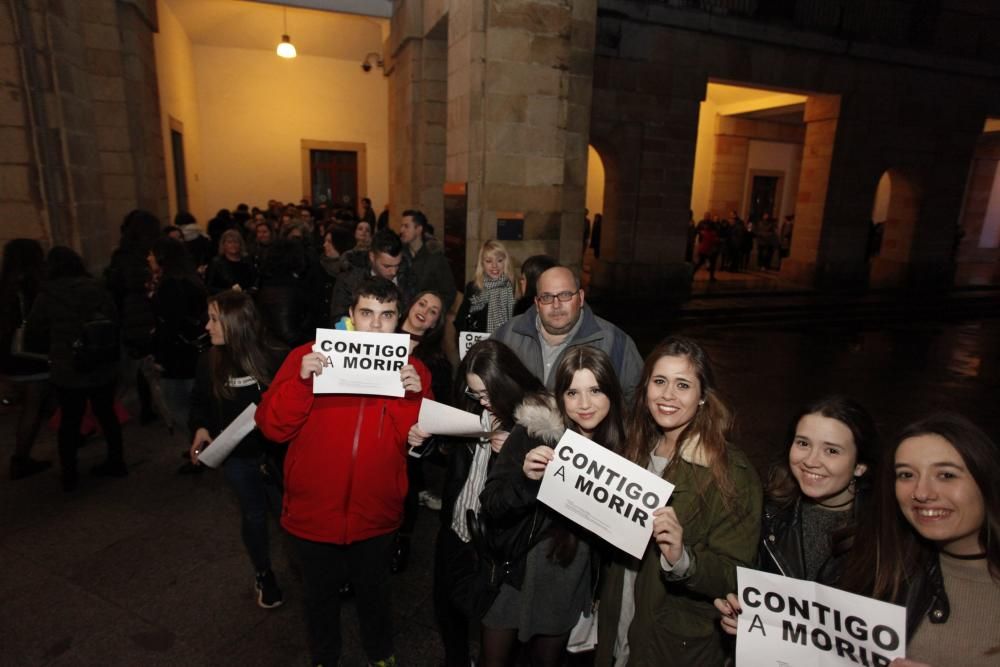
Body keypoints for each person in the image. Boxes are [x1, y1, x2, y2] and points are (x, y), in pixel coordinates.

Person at [255, 277, 432, 667]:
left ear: (397, 320)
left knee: (375, 592)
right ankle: (324, 657)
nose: (375, 324)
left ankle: (380, 653)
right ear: (351, 315)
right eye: (366, 313)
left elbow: (417, 439)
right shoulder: (307, 355)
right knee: (318, 598)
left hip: (376, 513)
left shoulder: (413, 369)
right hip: (312, 513)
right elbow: (271, 426)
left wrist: (414, 395)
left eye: (386, 316)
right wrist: (302, 383)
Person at [595, 336, 762, 666]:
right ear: (645, 390)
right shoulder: (633, 451)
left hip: (671, 645)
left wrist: (683, 559)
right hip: (619, 625)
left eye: (682, 385)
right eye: (659, 381)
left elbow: (738, 574)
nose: (667, 395)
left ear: (702, 397)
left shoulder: (730, 472)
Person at [478, 346, 627, 666]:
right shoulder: (535, 432)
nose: (585, 404)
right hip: (516, 574)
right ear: (560, 396)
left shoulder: (623, 448)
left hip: (567, 582)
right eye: (573, 392)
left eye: (595, 391)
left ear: (611, 393)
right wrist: (526, 480)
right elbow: (491, 504)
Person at [409, 339, 548, 667]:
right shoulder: (472, 407)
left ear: (507, 382)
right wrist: (423, 442)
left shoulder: (533, 423)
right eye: (475, 393)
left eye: (487, 393)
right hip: (455, 528)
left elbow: (530, 499)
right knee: (446, 610)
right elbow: (451, 455)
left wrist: (512, 459)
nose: (482, 402)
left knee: (493, 623)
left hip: (492, 544)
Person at [841, 413, 1000, 666]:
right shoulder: (881, 566)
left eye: (946, 475)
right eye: (906, 475)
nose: (922, 493)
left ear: (986, 480)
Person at [713, 396, 880, 632]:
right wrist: (743, 618)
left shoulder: (884, 538)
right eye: (803, 443)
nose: (811, 460)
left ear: (860, 465)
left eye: (831, 450)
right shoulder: (768, 514)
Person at [187, 290, 288, 609]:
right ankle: (263, 573)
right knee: (254, 516)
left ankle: (312, 571)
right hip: (237, 459)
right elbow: (200, 403)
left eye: (215, 319)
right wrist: (201, 427)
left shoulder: (276, 356)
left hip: (277, 457)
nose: (207, 326)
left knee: (291, 515)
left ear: (235, 323)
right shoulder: (209, 360)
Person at [25, 247, 124, 491]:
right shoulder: (97, 288)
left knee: (70, 419)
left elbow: (35, 329)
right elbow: (114, 317)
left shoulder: (48, 294)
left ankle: (69, 473)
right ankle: (116, 461)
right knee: (106, 413)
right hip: (100, 359)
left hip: (68, 365)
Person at [492, 265, 643, 400]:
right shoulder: (506, 335)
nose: (556, 305)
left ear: (581, 298)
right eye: (547, 297)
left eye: (565, 295)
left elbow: (637, 402)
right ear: (537, 304)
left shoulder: (616, 344)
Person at [394, 290, 451, 573]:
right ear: (409, 305)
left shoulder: (435, 359)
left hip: (411, 436)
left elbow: (436, 405)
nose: (425, 311)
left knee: (408, 488)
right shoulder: (379, 337)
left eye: (433, 311)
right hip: (377, 429)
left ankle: (402, 540)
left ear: (434, 324)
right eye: (422, 303)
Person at [1, 239, 52, 479]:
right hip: (32, 355)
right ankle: (20, 458)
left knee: (27, 407)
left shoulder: (5, 286)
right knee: (32, 409)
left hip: (10, 356)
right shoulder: (34, 287)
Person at [147, 236, 208, 436]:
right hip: (192, 353)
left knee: (179, 407)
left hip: (177, 358)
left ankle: (198, 448)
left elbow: (170, 326)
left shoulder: (171, 285)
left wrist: (160, 358)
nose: (149, 258)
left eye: (152, 254)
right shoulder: (189, 279)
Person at [330, 229, 414, 322]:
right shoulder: (349, 280)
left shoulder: (408, 279)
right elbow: (339, 320)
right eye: (387, 266)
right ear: (372, 257)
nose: (393, 272)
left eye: (397, 265)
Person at [455, 240, 517, 337]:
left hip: (507, 346)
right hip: (479, 347)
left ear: (506, 262)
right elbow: (460, 322)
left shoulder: (513, 287)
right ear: (482, 264)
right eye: (488, 261)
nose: (494, 266)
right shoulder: (473, 288)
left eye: (499, 260)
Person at [400, 209, 457, 313]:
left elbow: (449, 292)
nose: (401, 230)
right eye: (401, 226)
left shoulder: (435, 257)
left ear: (418, 229)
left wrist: (434, 314)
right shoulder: (399, 254)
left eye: (406, 226)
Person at [205, 229, 256, 294]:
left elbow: (253, 282)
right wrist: (230, 292)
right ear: (223, 245)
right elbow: (209, 287)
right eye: (229, 242)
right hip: (224, 300)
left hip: (245, 299)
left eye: (236, 242)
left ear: (240, 244)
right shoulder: (216, 263)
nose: (233, 245)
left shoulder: (247, 261)